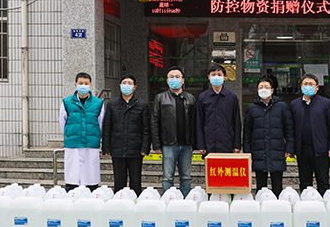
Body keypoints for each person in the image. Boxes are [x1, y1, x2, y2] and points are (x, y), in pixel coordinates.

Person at [243, 77, 294, 197]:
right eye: (261, 87)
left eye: (266, 87)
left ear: (272, 90)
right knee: (261, 187)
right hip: (259, 151)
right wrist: (247, 152)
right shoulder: (252, 108)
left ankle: (278, 204)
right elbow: (247, 133)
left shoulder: (282, 107)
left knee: (277, 185)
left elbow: (289, 130)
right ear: (257, 91)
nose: (263, 89)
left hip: (277, 150)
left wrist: (289, 148)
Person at [151, 66, 197, 197]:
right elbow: (154, 121)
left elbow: (195, 121)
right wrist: (156, 144)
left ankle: (185, 201)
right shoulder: (160, 98)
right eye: (171, 77)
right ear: (167, 81)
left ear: (183, 80)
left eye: (177, 77)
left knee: (186, 177)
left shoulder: (191, 98)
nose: (174, 79)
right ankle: (168, 201)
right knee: (167, 178)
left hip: (186, 144)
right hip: (168, 144)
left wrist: (196, 143)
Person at [102, 74, 150, 195]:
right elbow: (107, 127)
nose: (126, 86)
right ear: (120, 86)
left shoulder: (142, 105)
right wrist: (106, 147)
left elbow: (146, 128)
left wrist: (145, 147)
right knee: (119, 181)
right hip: (117, 148)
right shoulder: (112, 104)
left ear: (134, 87)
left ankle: (135, 202)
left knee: (135, 181)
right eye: (124, 83)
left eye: (129, 83)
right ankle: (119, 203)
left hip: (135, 149)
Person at [290, 73, 330, 195]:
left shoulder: (326, 103)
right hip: (302, 150)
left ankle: (324, 203)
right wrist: (292, 148)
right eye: (305, 84)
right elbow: (291, 128)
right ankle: (306, 203)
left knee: (323, 182)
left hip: (321, 149)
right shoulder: (294, 104)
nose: (308, 86)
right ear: (301, 87)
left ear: (317, 88)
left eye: (311, 84)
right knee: (305, 182)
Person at [59, 72, 105, 192]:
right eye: (80, 83)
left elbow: (100, 123)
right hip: (73, 143)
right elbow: (63, 122)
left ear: (90, 85)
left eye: (86, 83)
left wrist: (95, 136)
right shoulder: (67, 102)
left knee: (91, 178)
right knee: (72, 177)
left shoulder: (98, 103)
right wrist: (71, 134)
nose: (83, 86)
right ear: (75, 84)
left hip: (91, 143)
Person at [195, 64, 242, 155]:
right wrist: (200, 145)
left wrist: (237, 145)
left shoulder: (231, 97)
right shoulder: (203, 97)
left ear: (224, 77)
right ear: (209, 77)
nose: (216, 77)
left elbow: (237, 122)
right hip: (209, 143)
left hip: (227, 142)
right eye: (213, 74)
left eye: (219, 74)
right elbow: (199, 122)